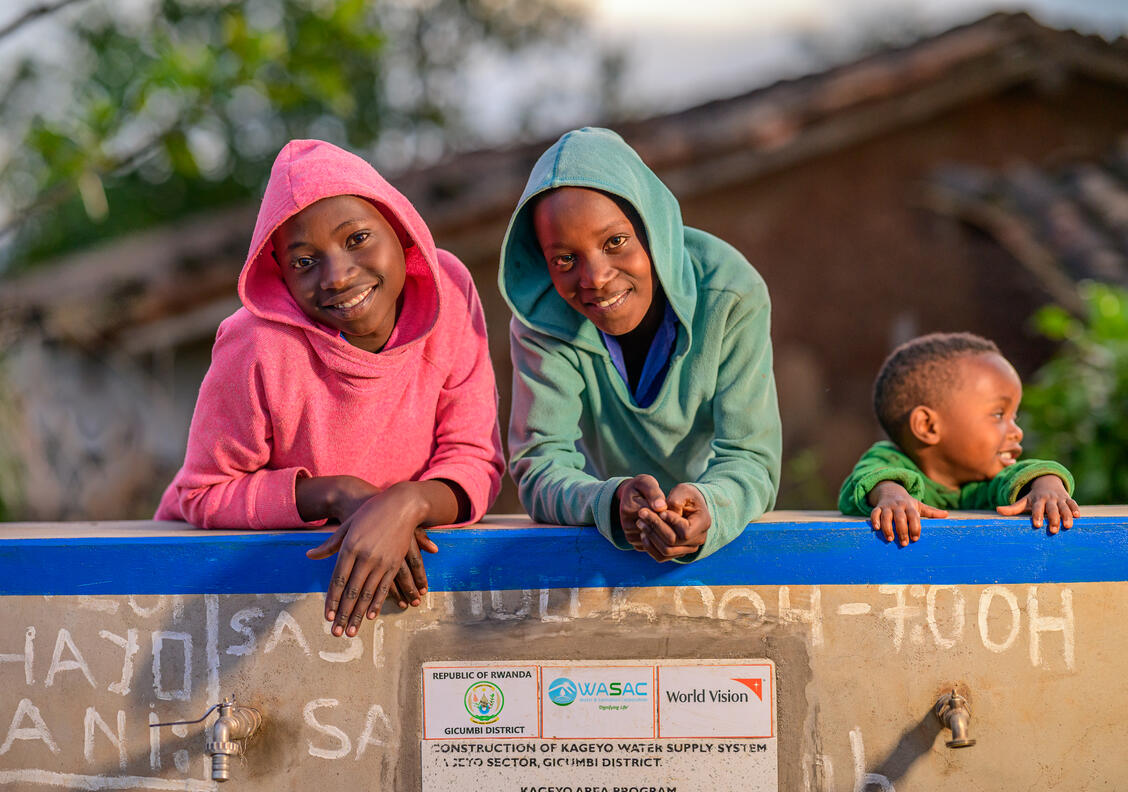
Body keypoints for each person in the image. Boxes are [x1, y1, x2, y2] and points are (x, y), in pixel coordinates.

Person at [156, 139, 504, 636]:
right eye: (303, 262)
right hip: (233, 594)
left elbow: (473, 458)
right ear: (279, 272)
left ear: (400, 230)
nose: (337, 276)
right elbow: (202, 493)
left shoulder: (449, 292)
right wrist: (336, 494)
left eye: (358, 238)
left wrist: (406, 505)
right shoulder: (257, 344)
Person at [498, 127, 781, 563]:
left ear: (651, 227)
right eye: (564, 259)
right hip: (599, 552)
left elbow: (750, 456)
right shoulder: (543, 322)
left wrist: (710, 505)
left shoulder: (729, 294)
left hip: (726, 543)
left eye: (615, 242)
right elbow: (541, 466)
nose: (595, 277)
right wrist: (609, 503)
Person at [839, 331, 1080, 545]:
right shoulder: (889, 459)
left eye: (1013, 417)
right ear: (928, 426)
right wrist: (891, 495)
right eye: (998, 414)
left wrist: (1047, 486)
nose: (1017, 432)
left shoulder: (987, 483)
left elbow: (1021, 475)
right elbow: (867, 479)